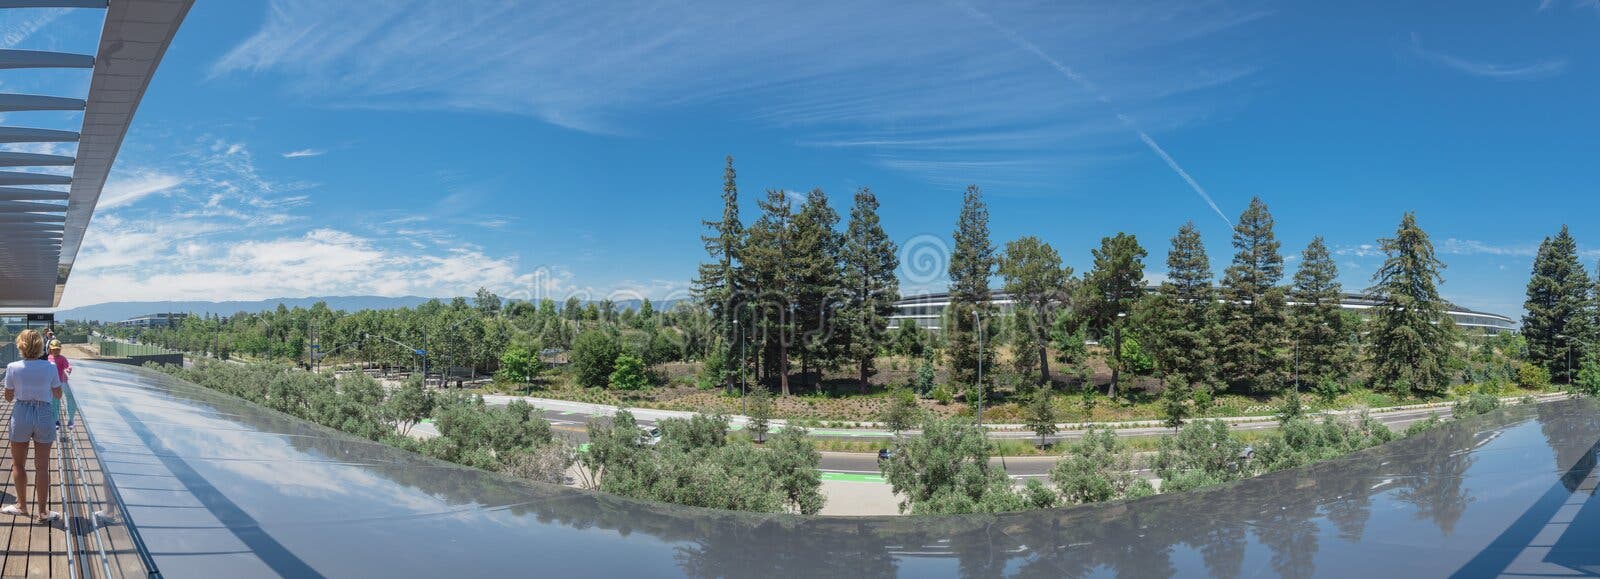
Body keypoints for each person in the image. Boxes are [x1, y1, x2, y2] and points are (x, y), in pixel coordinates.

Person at [2, 330, 62, 522]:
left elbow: (9, 397)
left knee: (18, 464)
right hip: (44, 412)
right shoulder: (50, 367)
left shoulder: (12, 367)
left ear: (20, 345)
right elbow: (58, 394)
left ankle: (21, 506)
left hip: (21, 413)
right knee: (42, 467)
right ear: (39, 346)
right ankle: (43, 512)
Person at [47, 340, 73, 430]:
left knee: (60, 400)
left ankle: (64, 419)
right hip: (51, 383)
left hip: (60, 382)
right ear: (50, 349)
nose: (56, 351)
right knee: (54, 402)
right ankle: (55, 420)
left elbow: (67, 366)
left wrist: (69, 369)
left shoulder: (62, 358)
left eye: (57, 349)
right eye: (54, 349)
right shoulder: (48, 358)